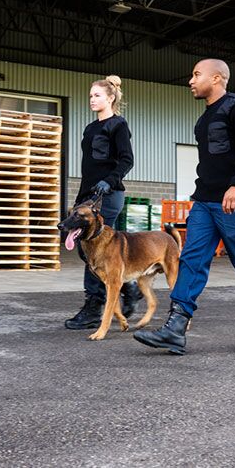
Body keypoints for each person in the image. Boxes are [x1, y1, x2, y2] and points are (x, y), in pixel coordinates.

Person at [133, 59, 235, 354]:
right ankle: (175, 328)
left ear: (217, 78)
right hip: (204, 202)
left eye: (197, 74)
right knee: (191, 260)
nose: (191, 80)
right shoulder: (203, 119)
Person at [64, 75, 142, 330]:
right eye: (90, 96)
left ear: (110, 98)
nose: (92, 99)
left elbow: (127, 159)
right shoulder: (90, 128)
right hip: (88, 194)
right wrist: (81, 198)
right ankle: (129, 288)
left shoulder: (118, 125)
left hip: (108, 194)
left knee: (97, 248)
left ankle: (94, 307)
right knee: (85, 249)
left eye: (97, 95)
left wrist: (109, 181)